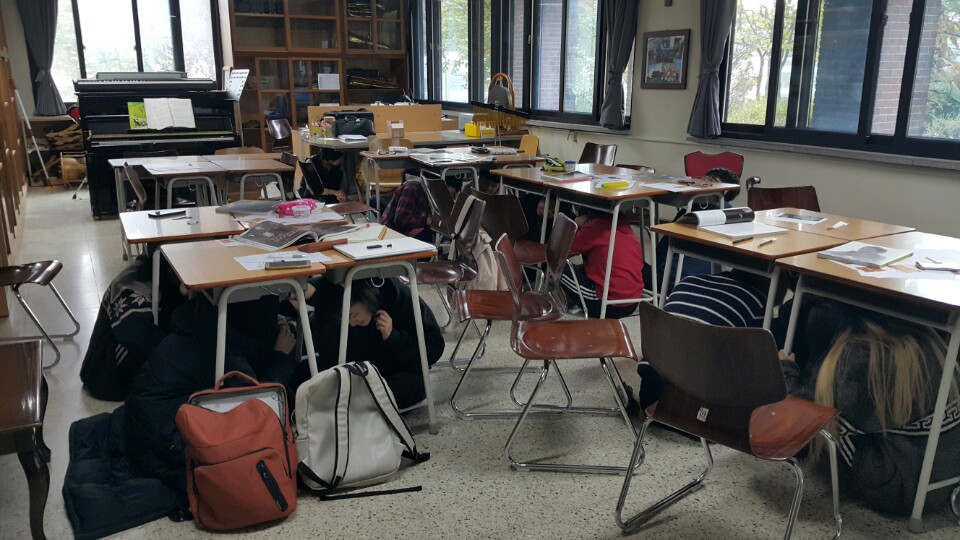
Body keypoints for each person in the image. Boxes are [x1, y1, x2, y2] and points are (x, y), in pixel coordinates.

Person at [779, 301, 960, 515]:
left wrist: (786, 372)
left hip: (897, 488)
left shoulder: (862, 355)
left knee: (827, 419)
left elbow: (808, 416)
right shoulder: (931, 343)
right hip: (945, 478)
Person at [292, 277, 445, 409]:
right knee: (299, 374)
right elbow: (330, 356)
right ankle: (349, 403)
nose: (352, 323)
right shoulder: (334, 300)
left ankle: (349, 404)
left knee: (408, 387)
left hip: (397, 372)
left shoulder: (401, 298)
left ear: (365, 297)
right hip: (356, 372)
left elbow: (434, 348)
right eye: (346, 320)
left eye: (353, 315)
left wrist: (393, 337)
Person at [561, 209, 645, 319]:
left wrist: (576, 226)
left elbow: (563, 248)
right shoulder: (624, 225)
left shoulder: (595, 227)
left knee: (556, 265)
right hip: (633, 303)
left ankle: (551, 300)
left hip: (606, 305)